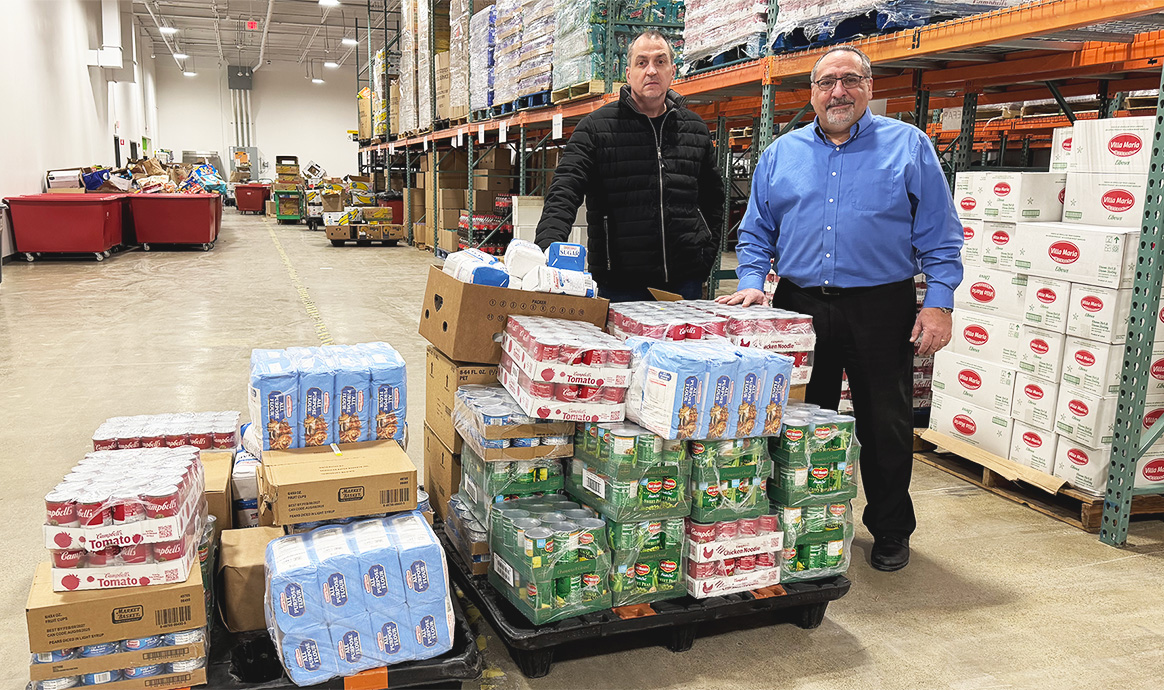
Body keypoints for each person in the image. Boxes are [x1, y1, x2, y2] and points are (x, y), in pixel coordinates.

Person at [719, 45, 963, 572]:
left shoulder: (909, 147)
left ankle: (891, 529)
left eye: (850, 80)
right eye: (827, 82)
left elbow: (941, 237)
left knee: (885, 424)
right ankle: (797, 523)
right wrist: (751, 281)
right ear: (811, 93)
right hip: (800, 307)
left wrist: (939, 302)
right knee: (795, 420)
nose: (838, 92)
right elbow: (756, 229)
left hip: (881, 305)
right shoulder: (781, 154)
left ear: (870, 87)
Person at [534, 29, 725, 302]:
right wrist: (546, 251)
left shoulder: (694, 128)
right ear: (628, 73)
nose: (651, 71)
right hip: (619, 285)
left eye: (660, 62)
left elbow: (713, 198)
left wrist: (705, 256)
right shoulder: (596, 128)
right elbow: (564, 191)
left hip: (685, 284)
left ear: (672, 71)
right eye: (642, 62)